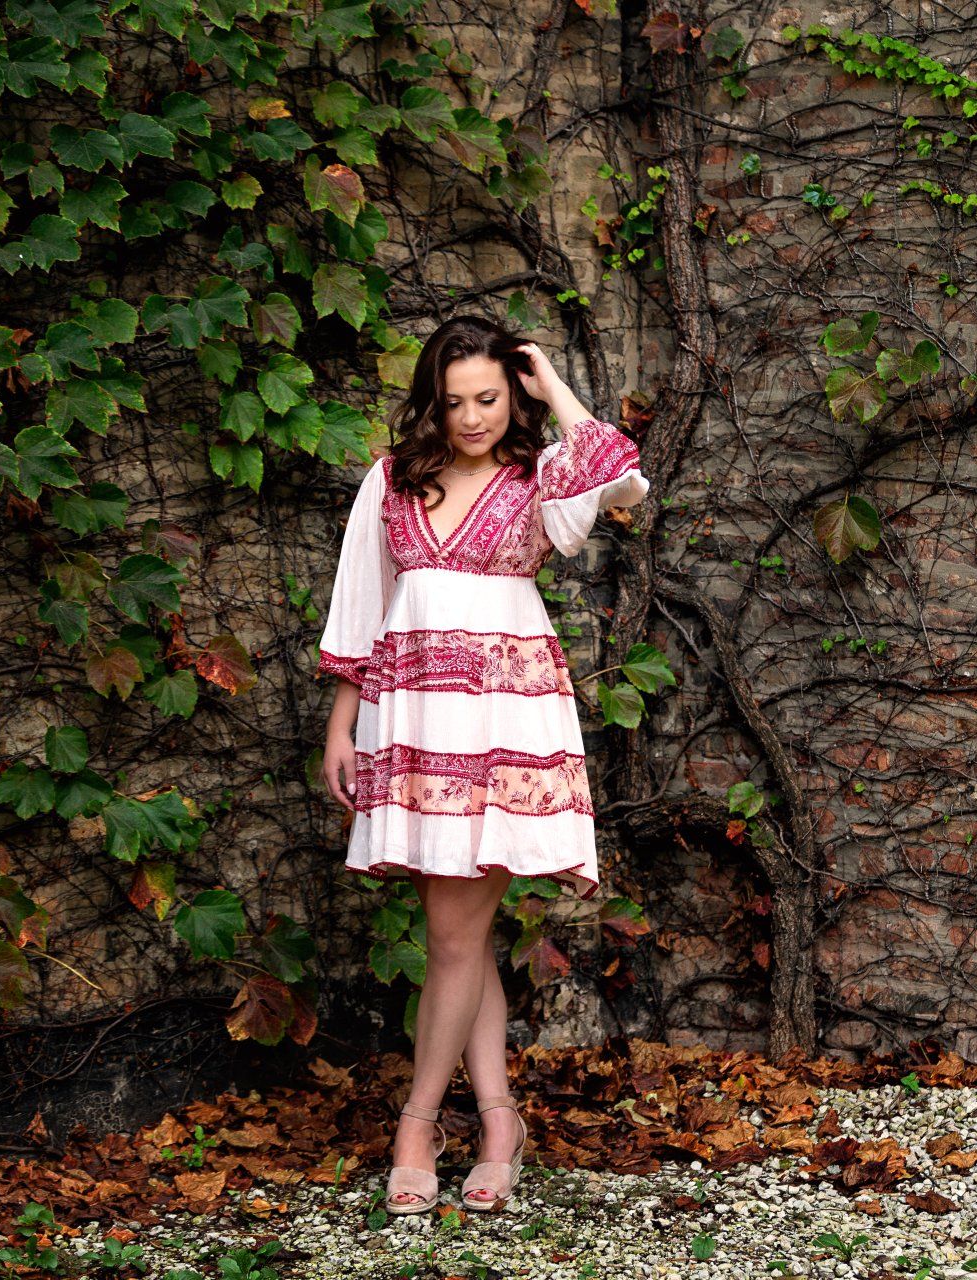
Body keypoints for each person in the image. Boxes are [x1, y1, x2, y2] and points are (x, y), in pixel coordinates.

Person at [314, 314, 647, 1214]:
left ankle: (418, 1123)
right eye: (455, 401)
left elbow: (624, 482)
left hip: (505, 723)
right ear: (432, 399)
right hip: (416, 722)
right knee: (460, 937)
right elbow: (360, 610)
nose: (471, 418)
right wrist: (342, 729)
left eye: (491, 398)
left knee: (456, 937)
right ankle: (499, 1119)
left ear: (515, 392)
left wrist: (554, 385)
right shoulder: (391, 481)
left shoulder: (542, 479)